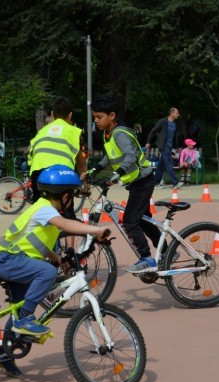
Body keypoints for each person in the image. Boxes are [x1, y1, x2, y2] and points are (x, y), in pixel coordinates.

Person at [0, 165, 108, 377]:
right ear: (65, 196)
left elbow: (36, 242)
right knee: (46, 273)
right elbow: (66, 224)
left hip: (19, 261)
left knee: (17, 309)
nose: (72, 199)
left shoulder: (47, 212)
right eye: (72, 195)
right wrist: (96, 230)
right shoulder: (44, 208)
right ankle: (26, 318)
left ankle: (4, 354)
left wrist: (58, 258)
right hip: (8, 260)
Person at [90, 93, 164, 274]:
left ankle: (147, 259)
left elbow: (130, 156)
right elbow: (112, 155)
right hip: (137, 183)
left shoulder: (120, 133)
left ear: (112, 116)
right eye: (94, 118)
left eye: (99, 117)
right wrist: (96, 169)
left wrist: (116, 176)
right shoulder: (109, 135)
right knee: (144, 222)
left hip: (143, 182)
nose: (96, 121)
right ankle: (170, 251)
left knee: (130, 222)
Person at [27, 97, 86, 217]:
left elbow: (31, 157)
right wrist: (85, 183)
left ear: (52, 114)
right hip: (62, 174)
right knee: (67, 214)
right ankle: (68, 228)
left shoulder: (42, 131)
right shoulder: (73, 131)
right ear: (70, 115)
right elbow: (80, 162)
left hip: (38, 173)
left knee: (40, 213)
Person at [145, 107, 184, 190]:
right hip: (163, 145)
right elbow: (153, 131)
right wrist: (148, 142)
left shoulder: (175, 124)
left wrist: (176, 147)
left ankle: (155, 183)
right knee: (169, 163)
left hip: (169, 147)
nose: (178, 114)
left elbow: (174, 137)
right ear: (172, 113)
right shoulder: (163, 121)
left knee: (161, 165)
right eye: (177, 113)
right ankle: (175, 183)